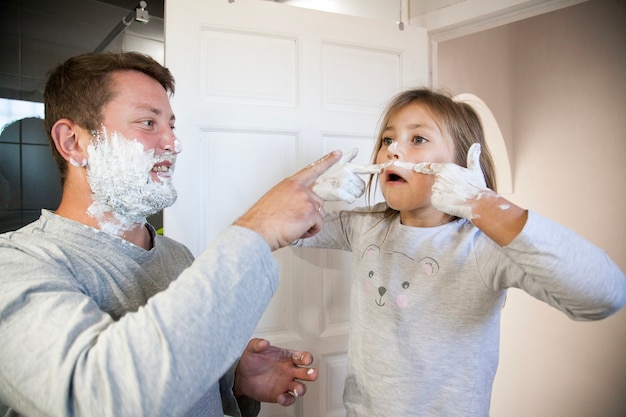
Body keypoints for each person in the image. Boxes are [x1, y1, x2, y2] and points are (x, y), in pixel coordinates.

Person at [0, 51, 344, 416]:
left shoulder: (177, 255)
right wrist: (256, 231)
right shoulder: (17, 263)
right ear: (73, 142)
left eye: (172, 126)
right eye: (148, 123)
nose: (173, 143)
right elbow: (97, 399)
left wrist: (231, 377)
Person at [303, 88, 626, 416]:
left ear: (460, 163)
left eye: (417, 139)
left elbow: (605, 295)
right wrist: (312, 196)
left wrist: (483, 203)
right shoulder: (366, 227)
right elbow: (287, 234)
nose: (393, 151)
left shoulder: (482, 247)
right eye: (387, 140)